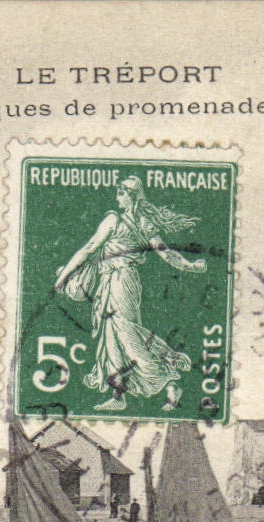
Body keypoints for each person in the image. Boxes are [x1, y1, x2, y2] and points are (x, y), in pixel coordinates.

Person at [54, 173, 206, 412]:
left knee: (124, 333)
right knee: (112, 335)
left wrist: (62, 278)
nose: (118, 197)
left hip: (120, 281)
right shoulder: (143, 223)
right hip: (116, 281)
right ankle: (119, 395)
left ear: (133, 197)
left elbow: (89, 248)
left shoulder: (115, 221)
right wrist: (190, 266)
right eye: (118, 192)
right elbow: (167, 254)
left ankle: (168, 377)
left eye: (121, 193)